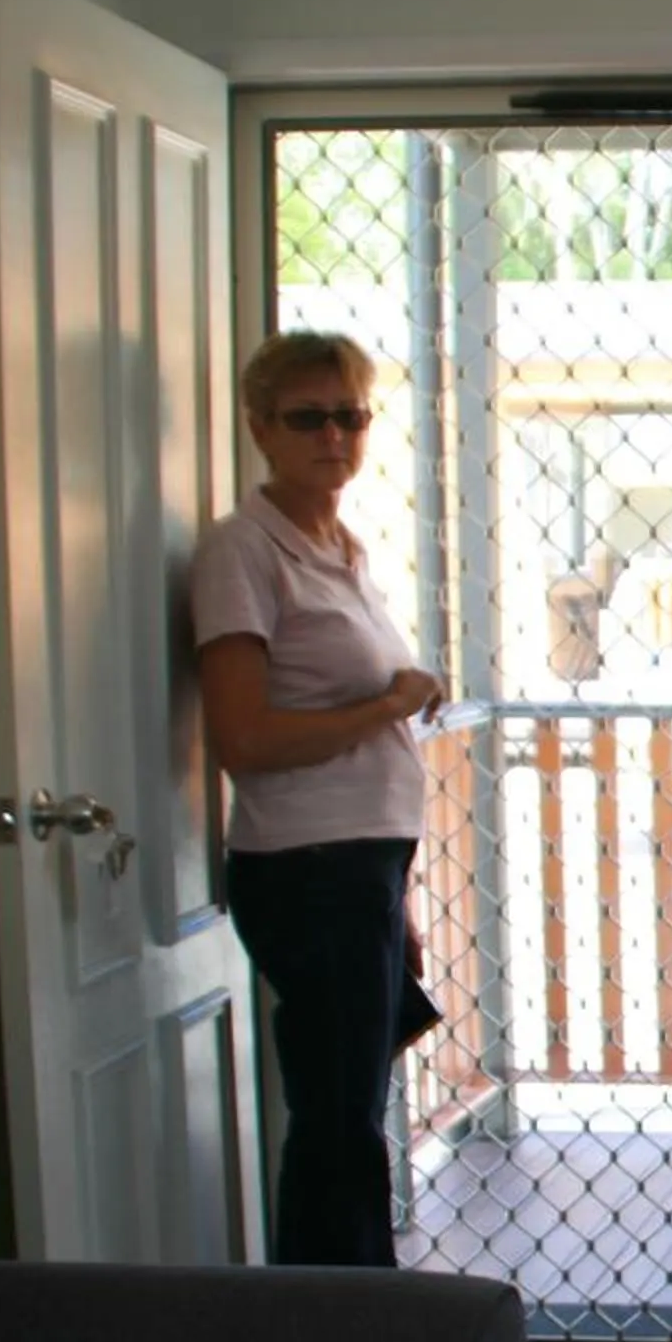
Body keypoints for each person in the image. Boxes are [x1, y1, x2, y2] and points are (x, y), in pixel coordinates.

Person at [191, 330, 445, 1267]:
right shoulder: (242, 551)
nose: (334, 435)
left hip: (364, 863)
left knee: (352, 1114)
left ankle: (341, 1341)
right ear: (261, 426)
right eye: (309, 417)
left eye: (351, 415)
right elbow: (245, 740)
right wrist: (388, 702)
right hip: (308, 868)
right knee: (339, 1125)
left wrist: (400, 896)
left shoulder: (340, 546)